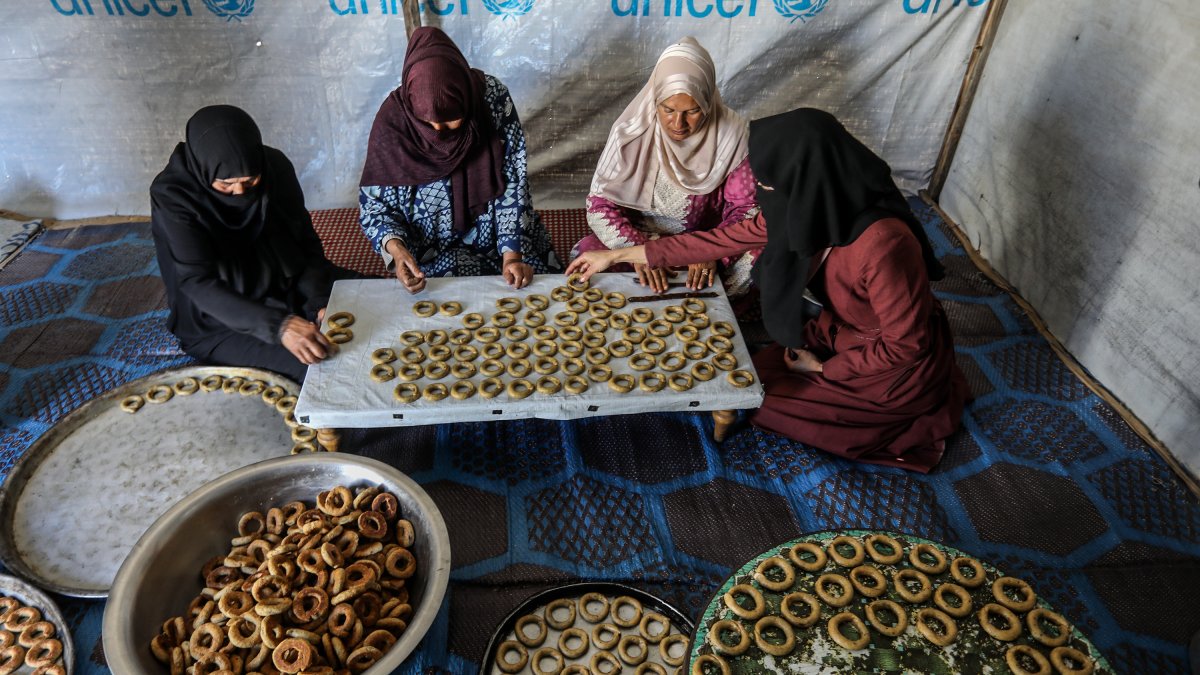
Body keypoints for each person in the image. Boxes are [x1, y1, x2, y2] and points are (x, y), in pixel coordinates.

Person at [568, 108, 970, 472]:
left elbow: (906, 345)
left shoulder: (885, 245)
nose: (763, 196)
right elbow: (720, 240)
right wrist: (626, 254)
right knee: (743, 382)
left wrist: (825, 369)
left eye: (770, 185)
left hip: (889, 362)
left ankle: (905, 420)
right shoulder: (807, 206)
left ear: (807, 178)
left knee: (763, 403)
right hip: (835, 331)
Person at [150, 105, 346, 383]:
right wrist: (280, 326)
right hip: (224, 319)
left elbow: (304, 243)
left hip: (290, 286)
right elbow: (196, 282)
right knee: (323, 369)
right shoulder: (174, 196)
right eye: (225, 184)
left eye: (250, 180)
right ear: (203, 170)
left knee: (380, 299)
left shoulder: (274, 166)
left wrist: (319, 302)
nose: (240, 192)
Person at [358, 26, 560, 294]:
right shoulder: (393, 124)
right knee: (440, 307)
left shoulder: (491, 99)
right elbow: (375, 207)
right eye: (430, 124)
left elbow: (513, 179)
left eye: (453, 120)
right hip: (429, 251)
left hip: (499, 237)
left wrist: (512, 254)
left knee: (542, 290)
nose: (441, 133)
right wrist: (396, 250)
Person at [573, 37, 760, 297]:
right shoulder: (630, 133)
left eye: (692, 111)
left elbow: (745, 208)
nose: (678, 123)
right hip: (639, 237)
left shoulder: (733, 135)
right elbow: (600, 206)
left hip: (705, 242)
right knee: (589, 253)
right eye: (668, 109)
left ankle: (711, 307)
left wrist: (708, 251)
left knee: (758, 256)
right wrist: (638, 252)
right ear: (654, 98)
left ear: (707, 101)